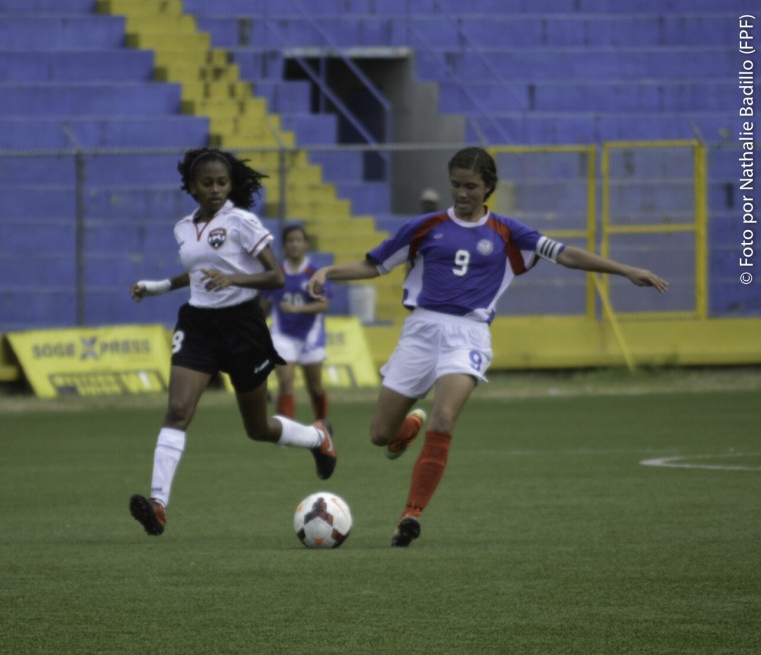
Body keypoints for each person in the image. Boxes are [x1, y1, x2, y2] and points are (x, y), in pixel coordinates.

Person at [306, 146, 668, 548]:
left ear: (488, 187)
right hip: (421, 330)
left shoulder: (508, 232)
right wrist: (328, 271)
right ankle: (407, 429)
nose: (462, 193)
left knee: (445, 419)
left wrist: (626, 270)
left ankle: (411, 514)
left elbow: (565, 254)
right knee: (379, 435)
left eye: (471, 187)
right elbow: (375, 265)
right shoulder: (424, 227)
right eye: (456, 185)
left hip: (469, 333)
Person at [128, 147, 337, 537]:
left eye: (222, 183)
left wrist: (233, 279)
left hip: (243, 325)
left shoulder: (242, 221)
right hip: (198, 325)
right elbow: (197, 272)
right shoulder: (182, 227)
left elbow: (275, 277)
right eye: (207, 183)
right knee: (178, 410)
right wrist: (156, 286)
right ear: (192, 186)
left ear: (230, 185)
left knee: (257, 428)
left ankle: (317, 437)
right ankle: (158, 505)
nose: (215, 189)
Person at [260, 224, 330, 421]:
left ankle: (322, 424)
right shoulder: (277, 274)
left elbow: (323, 304)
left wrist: (297, 309)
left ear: (306, 244)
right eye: (290, 241)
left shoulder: (314, 273)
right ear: (284, 245)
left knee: (315, 387)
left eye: (298, 240)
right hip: (282, 334)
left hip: (311, 336)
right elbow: (264, 305)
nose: (294, 244)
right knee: (285, 382)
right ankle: (286, 429)